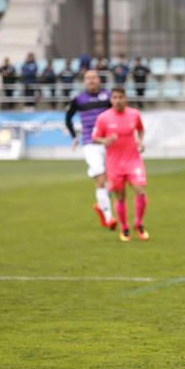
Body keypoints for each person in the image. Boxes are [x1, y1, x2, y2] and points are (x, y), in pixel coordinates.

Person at [91, 87, 149, 242]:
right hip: (114, 163)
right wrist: (105, 140)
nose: (117, 100)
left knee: (140, 191)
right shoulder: (103, 118)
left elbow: (141, 130)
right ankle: (124, 227)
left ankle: (139, 223)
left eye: (120, 97)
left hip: (133, 160)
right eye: (114, 97)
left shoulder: (134, 114)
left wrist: (140, 141)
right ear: (111, 100)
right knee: (120, 196)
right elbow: (94, 137)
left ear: (126, 98)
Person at [65, 69, 115, 230]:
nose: (91, 80)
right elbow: (68, 117)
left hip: (108, 143)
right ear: (84, 81)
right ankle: (109, 217)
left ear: (99, 80)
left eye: (94, 78)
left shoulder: (108, 96)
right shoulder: (79, 99)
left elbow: (117, 115)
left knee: (113, 182)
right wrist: (74, 136)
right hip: (90, 143)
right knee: (100, 178)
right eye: (88, 78)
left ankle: (101, 206)